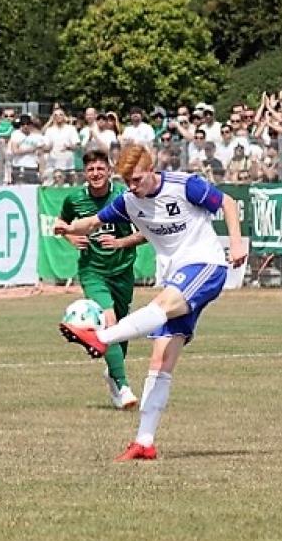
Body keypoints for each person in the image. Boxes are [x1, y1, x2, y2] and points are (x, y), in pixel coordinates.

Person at [55, 144, 247, 461]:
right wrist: (65, 227)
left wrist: (237, 242)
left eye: (137, 179)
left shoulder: (185, 185)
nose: (132, 187)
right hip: (176, 276)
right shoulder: (129, 201)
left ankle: (102, 337)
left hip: (206, 266)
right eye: (127, 181)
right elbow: (91, 222)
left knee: (161, 305)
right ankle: (144, 441)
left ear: (152, 169)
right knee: (160, 359)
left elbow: (226, 202)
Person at [56, 149, 144, 411]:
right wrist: (72, 238)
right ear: (85, 173)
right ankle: (124, 385)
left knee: (122, 326)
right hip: (93, 271)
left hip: (123, 270)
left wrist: (120, 243)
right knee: (109, 319)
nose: (96, 174)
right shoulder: (75, 199)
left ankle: (113, 375)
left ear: (109, 171)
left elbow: (145, 232)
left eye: (100, 169)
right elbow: (60, 223)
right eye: (91, 170)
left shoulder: (124, 197)